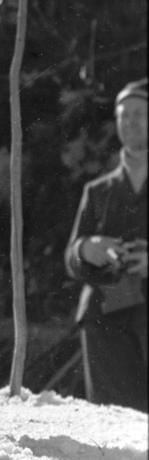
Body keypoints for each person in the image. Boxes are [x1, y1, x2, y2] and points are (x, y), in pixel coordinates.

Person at [65, 78, 147, 411]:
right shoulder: (97, 191)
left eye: (140, 114)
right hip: (105, 316)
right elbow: (71, 257)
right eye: (123, 115)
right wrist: (87, 248)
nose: (129, 123)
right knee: (117, 420)